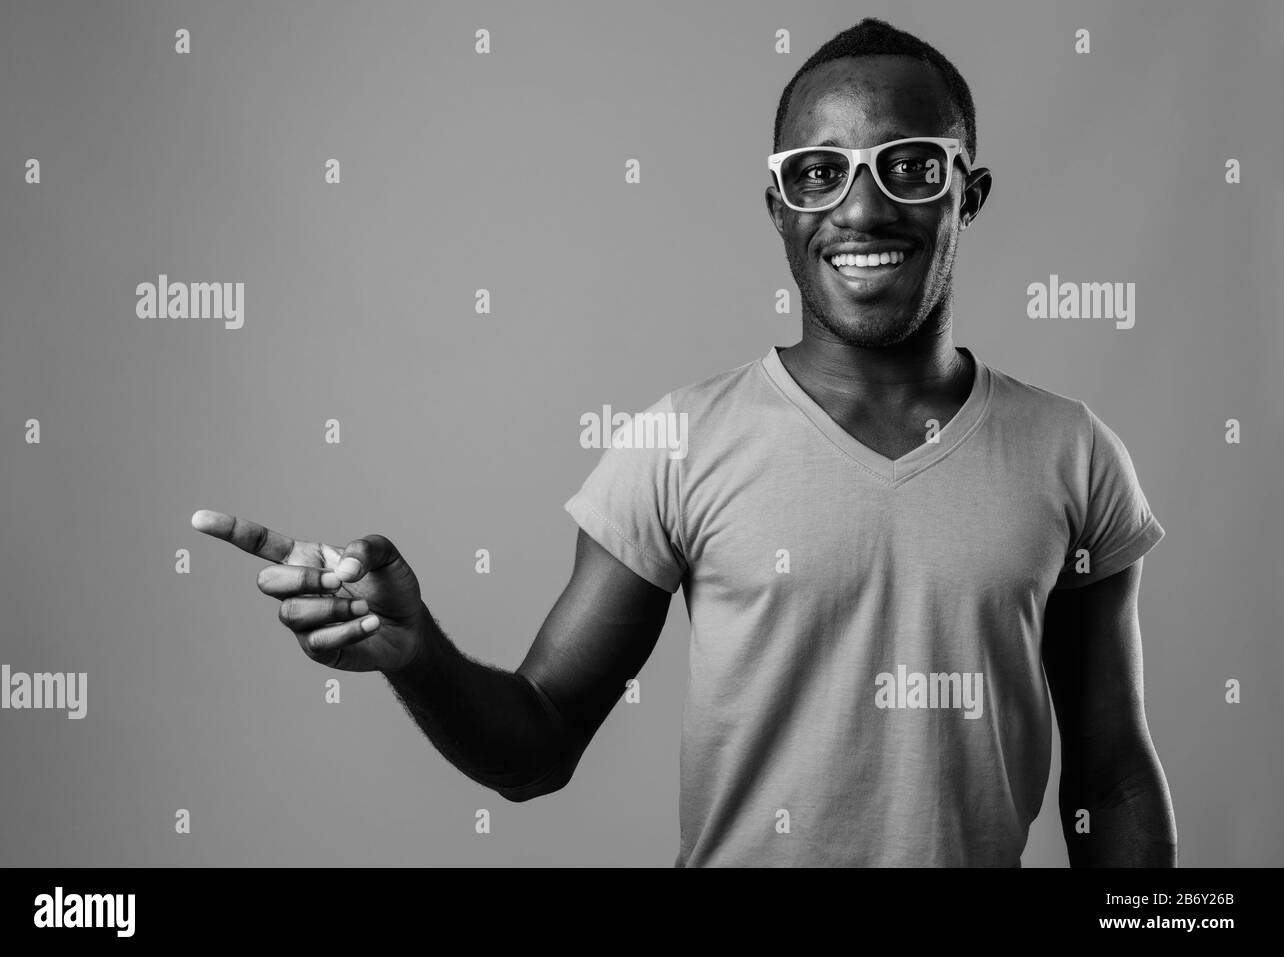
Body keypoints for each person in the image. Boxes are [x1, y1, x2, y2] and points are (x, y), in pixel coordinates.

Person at [192, 18, 1176, 867]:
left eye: (910, 165)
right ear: (779, 209)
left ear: (969, 192)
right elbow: (536, 745)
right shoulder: (678, 443)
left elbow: (1111, 772)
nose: (864, 207)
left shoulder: (1072, 454)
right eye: (818, 173)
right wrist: (417, 654)